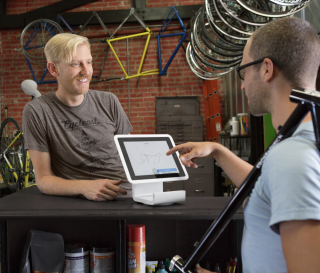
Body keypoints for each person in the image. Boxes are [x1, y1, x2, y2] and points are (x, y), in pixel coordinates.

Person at [167, 17, 320, 273]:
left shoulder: (291, 157)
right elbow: (266, 188)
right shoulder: (302, 139)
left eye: (244, 70)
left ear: (266, 69)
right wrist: (217, 150)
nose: (242, 84)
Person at [22, 33, 133, 201]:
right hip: (82, 201)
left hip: (130, 196)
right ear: (54, 69)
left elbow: (131, 156)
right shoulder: (37, 111)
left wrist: (170, 160)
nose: (87, 71)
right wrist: (84, 187)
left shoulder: (109, 100)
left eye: (88, 62)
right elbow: (43, 179)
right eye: (76, 64)